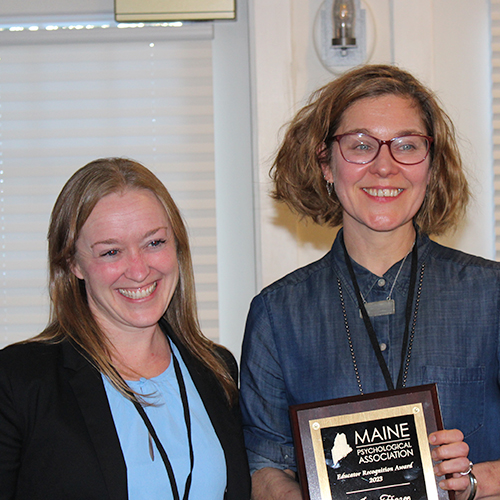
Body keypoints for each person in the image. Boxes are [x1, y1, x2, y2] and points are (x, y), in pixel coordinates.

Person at [240, 65, 500, 500]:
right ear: (325, 163)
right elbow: (263, 465)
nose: (384, 166)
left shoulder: (491, 296)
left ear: (432, 167)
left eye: (407, 146)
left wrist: (473, 481)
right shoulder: (276, 314)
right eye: (361, 145)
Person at [0, 157, 251, 500]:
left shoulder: (217, 369)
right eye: (111, 252)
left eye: (154, 243)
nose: (138, 270)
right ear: (73, 263)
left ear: (177, 246)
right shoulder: (19, 381)